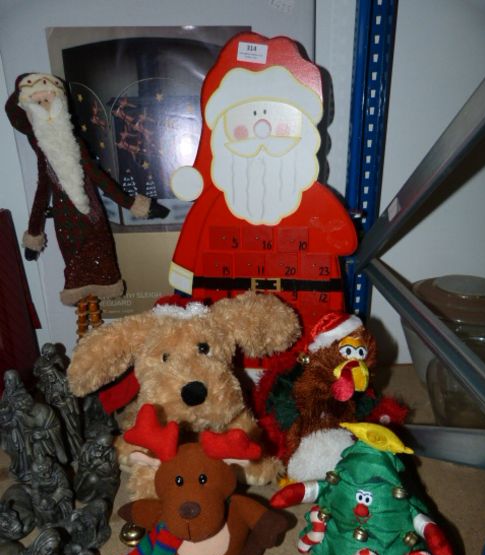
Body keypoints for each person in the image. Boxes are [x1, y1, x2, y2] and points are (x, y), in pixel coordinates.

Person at [169, 33, 357, 342]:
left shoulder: (313, 200)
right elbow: (190, 249)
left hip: (305, 323)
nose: (261, 131)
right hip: (228, 322)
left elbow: (345, 241)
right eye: (245, 125)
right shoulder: (216, 203)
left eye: (277, 123)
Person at [4, 72, 168, 308]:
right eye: (38, 102)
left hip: (94, 220)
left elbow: (100, 178)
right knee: (77, 278)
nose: (45, 105)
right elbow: (41, 192)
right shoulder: (42, 151)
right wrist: (34, 234)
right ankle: (85, 326)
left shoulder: (76, 144)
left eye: (48, 99)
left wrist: (135, 204)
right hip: (67, 227)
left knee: (104, 272)